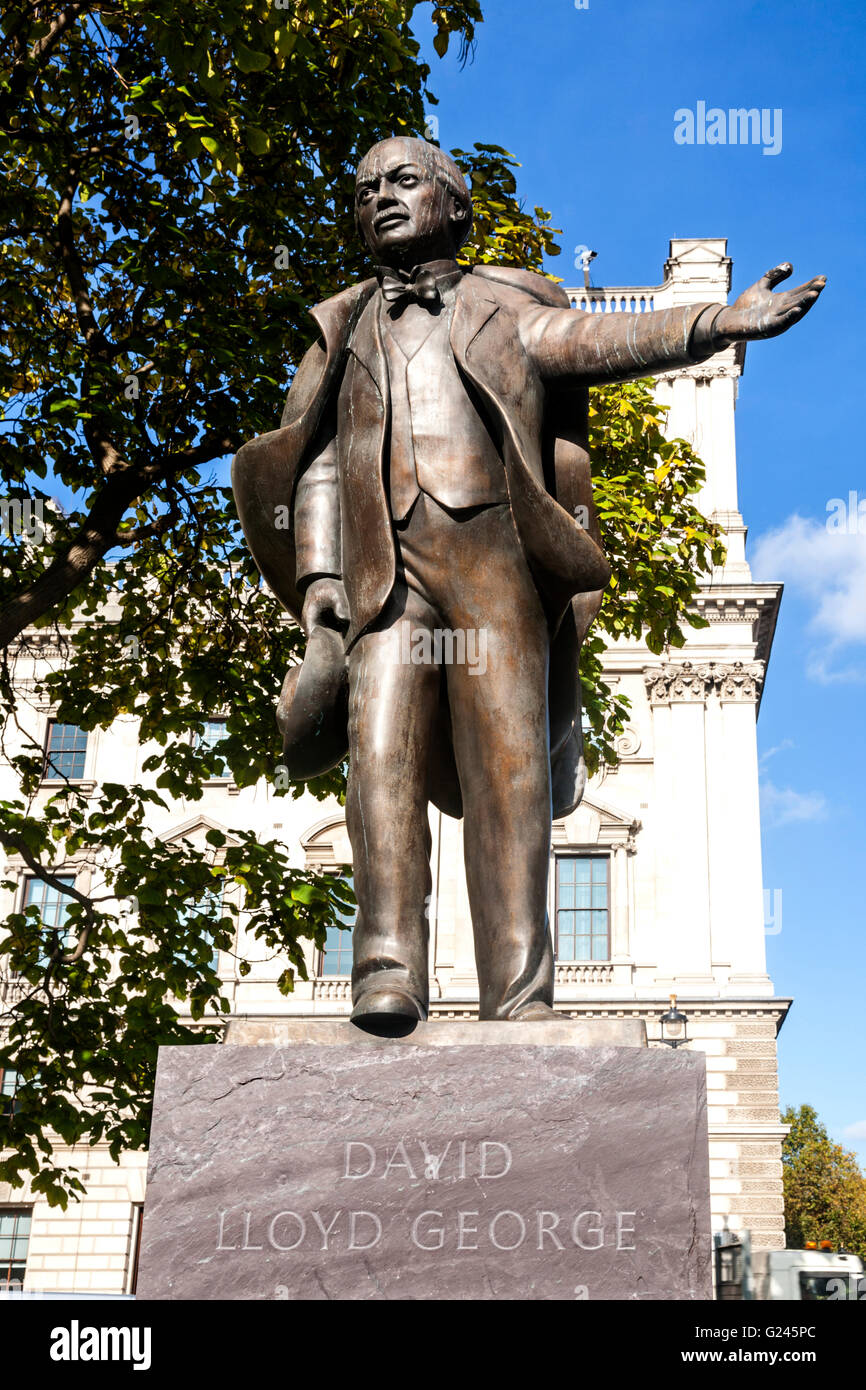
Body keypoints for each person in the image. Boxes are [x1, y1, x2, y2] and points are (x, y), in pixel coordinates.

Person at [233, 137, 824, 1034]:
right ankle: (386, 972)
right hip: (382, 580)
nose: (379, 199)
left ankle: (518, 992)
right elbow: (313, 463)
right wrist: (318, 578)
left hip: (492, 571)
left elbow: (606, 337)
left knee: (508, 777)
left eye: (403, 181)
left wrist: (714, 325)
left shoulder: (502, 310)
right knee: (379, 765)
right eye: (363, 191)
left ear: (454, 206)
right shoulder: (342, 327)